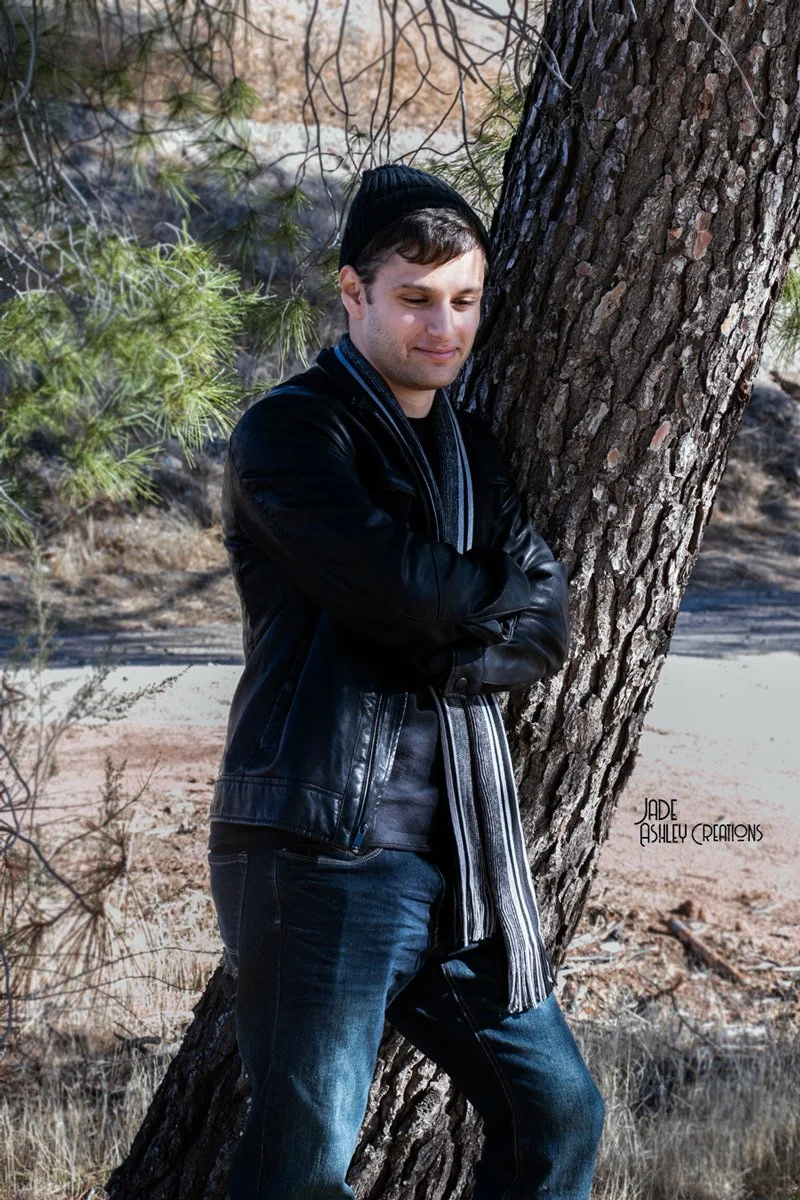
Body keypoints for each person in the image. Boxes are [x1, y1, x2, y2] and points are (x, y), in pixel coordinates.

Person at [208, 163, 605, 1200]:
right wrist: (457, 608)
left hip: (463, 865)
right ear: (354, 293)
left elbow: (544, 626)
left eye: (463, 300)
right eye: (415, 299)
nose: (444, 326)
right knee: (299, 1173)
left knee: (555, 1118)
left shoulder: (471, 450)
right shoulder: (290, 434)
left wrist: (434, 622)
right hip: (322, 857)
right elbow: (394, 585)